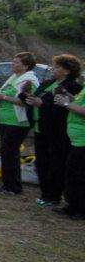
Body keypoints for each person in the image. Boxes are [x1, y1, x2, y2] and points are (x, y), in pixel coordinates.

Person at [27, 54, 82, 207]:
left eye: (57, 67)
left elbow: (65, 109)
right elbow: (38, 98)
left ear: (67, 71)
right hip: (40, 127)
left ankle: (54, 196)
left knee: (56, 163)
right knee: (42, 162)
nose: (53, 69)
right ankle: (45, 193)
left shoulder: (74, 87)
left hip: (58, 131)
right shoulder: (47, 82)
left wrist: (41, 104)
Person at [0, 52, 39, 196]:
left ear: (26, 65)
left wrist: (2, 96)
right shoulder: (14, 77)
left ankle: (14, 186)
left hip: (18, 121)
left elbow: (25, 101)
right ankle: (7, 183)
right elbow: (7, 95)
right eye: (13, 61)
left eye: (16, 62)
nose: (13, 64)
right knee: (5, 152)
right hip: (6, 119)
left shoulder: (29, 80)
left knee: (10, 152)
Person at [54, 86, 85, 219]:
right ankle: (71, 205)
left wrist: (66, 104)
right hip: (76, 140)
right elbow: (78, 102)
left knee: (81, 176)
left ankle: (81, 210)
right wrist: (67, 94)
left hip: (83, 141)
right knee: (72, 174)